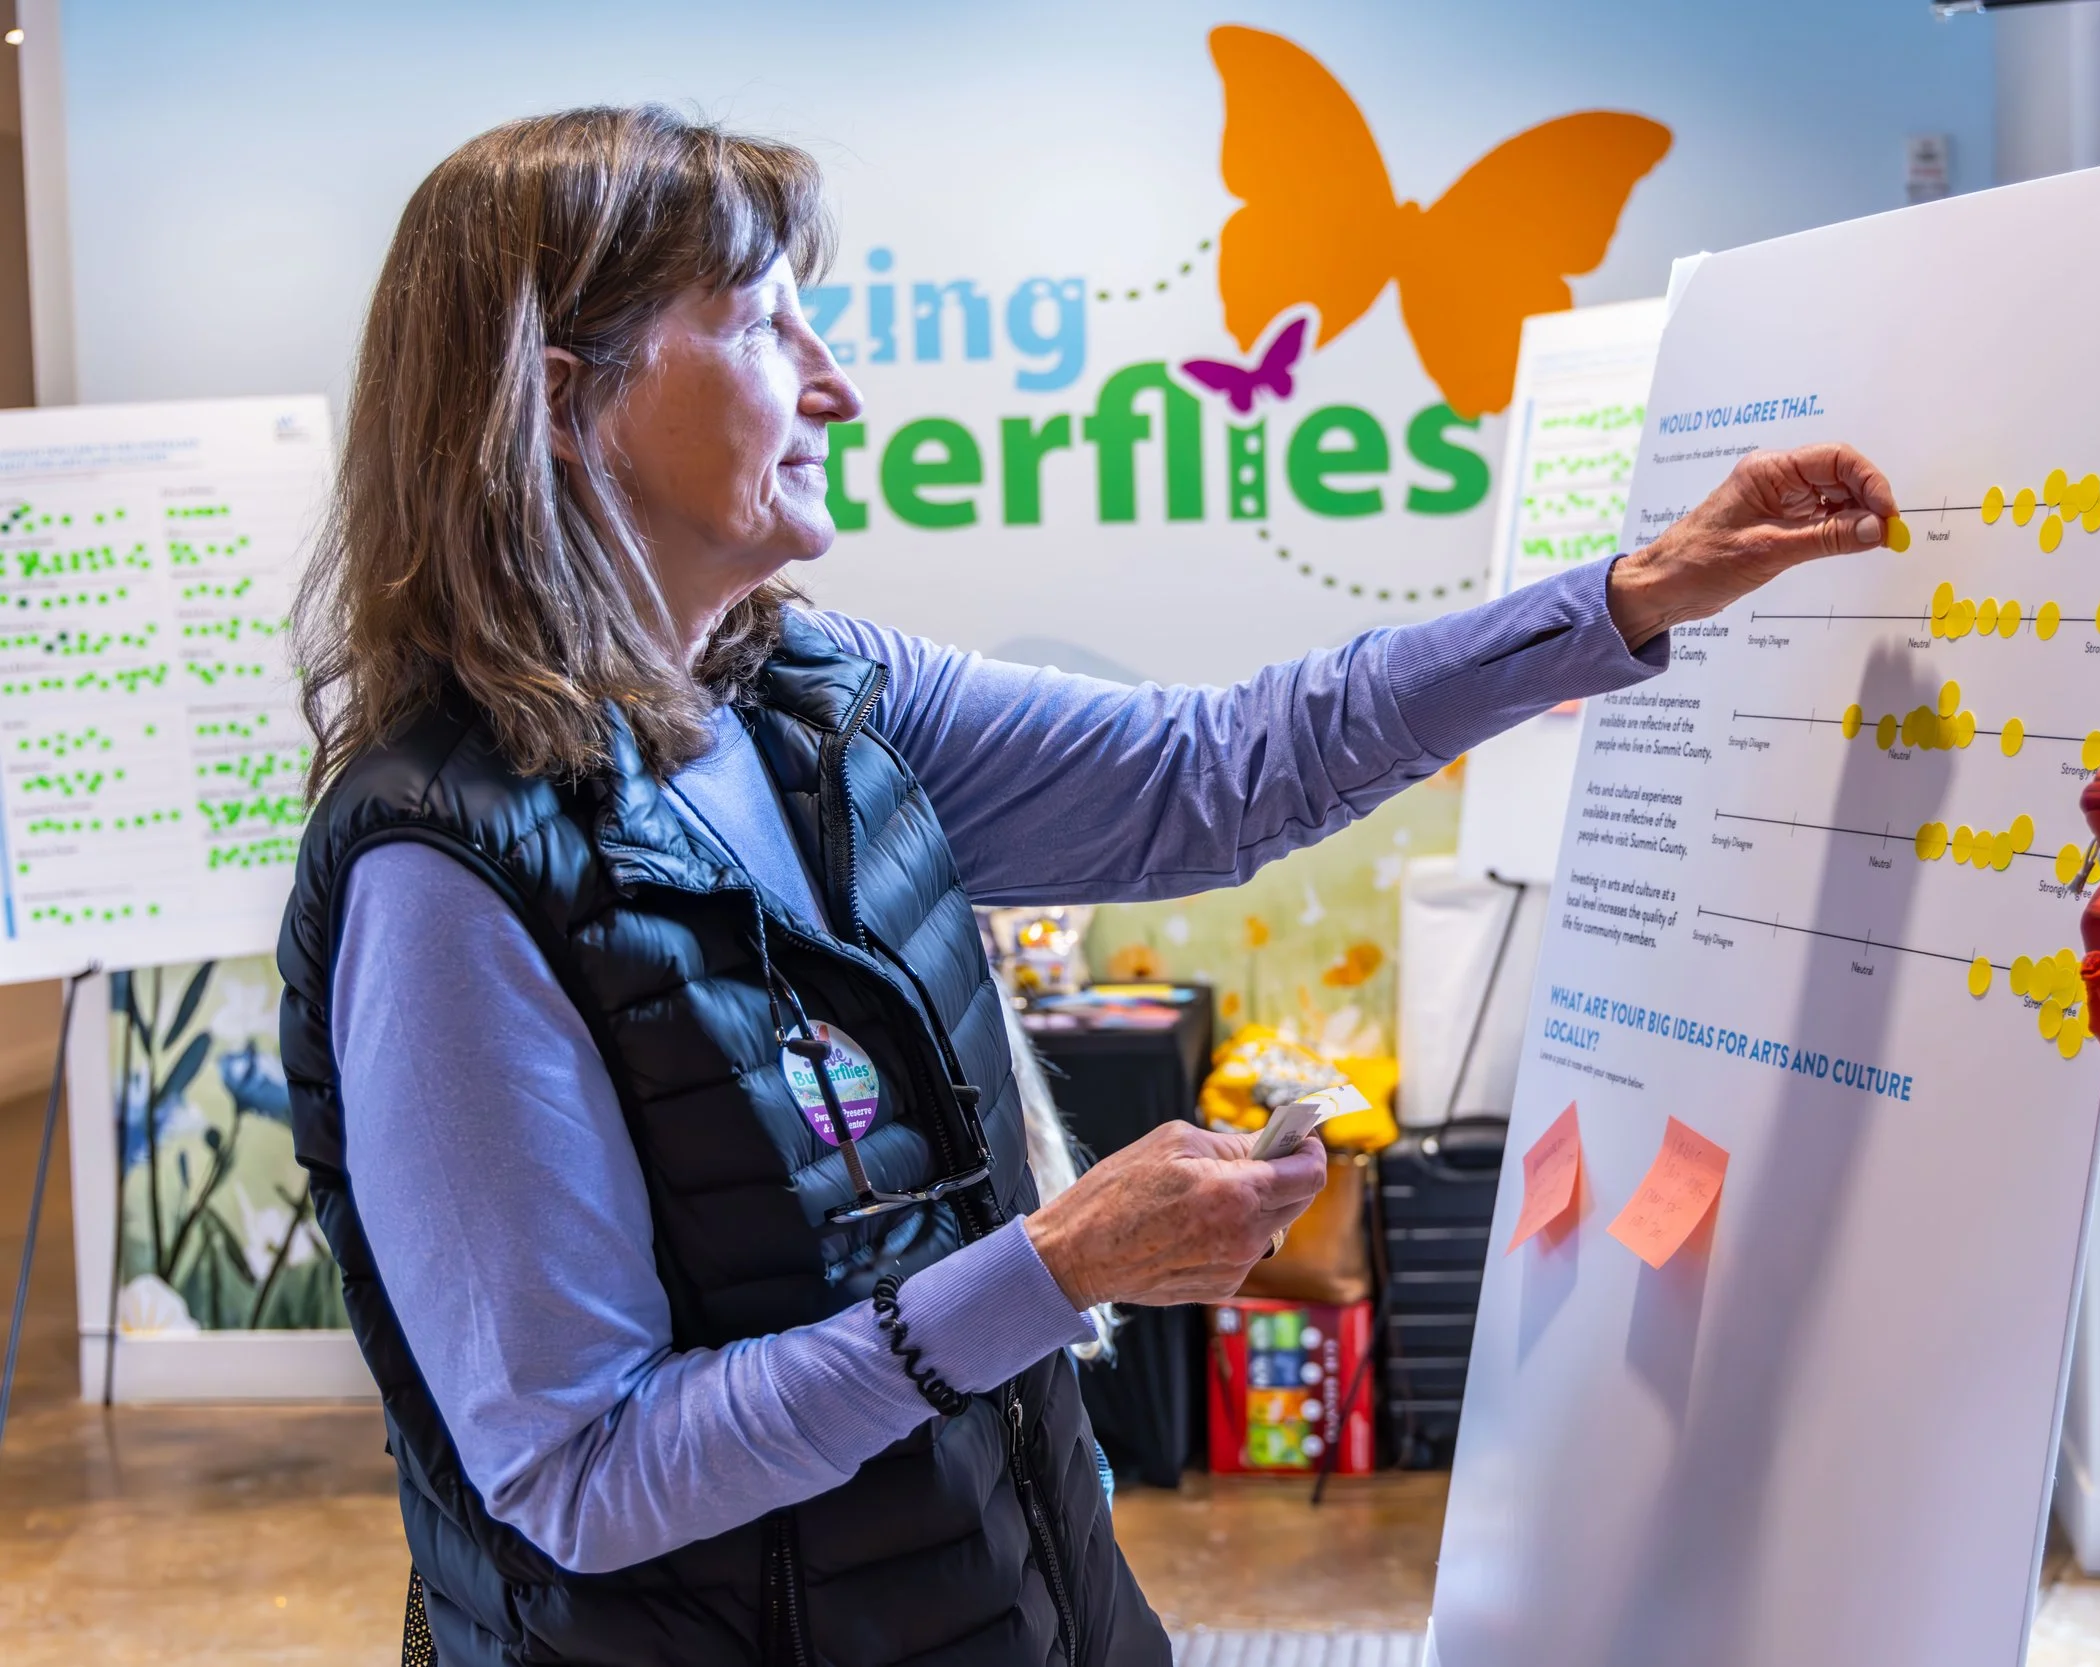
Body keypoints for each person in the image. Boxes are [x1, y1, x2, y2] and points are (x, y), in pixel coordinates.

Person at [276, 105, 1898, 1667]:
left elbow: (1221, 772)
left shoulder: (816, 697)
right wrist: (1051, 1269)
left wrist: (1625, 598)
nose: (834, 386)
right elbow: (584, 1472)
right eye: (768, 326)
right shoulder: (445, 879)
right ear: (564, 403)